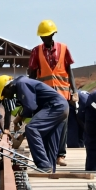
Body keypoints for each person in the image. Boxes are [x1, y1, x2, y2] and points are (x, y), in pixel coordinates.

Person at [0, 74, 68, 172]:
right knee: (49, 138)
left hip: (54, 106)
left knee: (31, 128)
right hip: (61, 107)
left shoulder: (21, 84)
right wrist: (22, 128)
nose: (5, 96)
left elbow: (31, 107)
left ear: (8, 86)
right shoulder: (22, 84)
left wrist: (19, 117)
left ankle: (43, 166)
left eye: (4, 93)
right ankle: (49, 169)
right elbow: (33, 107)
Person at [28, 20, 77, 167]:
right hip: (45, 97)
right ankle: (48, 155)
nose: (45, 39)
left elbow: (69, 71)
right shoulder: (36, 51)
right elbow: (31, 75)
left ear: (53, 34)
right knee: (47, 126)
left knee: (63, 125)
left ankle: (60, 155)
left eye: (47, 36)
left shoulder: (63, 48)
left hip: (62, 94)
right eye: (42, 37)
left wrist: (74, 92)